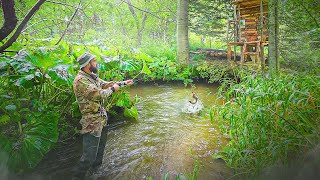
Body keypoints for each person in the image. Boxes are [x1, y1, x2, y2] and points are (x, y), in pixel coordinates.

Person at [72, 52, 133, 179]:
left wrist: (123, 83)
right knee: (88, 157)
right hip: (91, 122)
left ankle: (96, 174)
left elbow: (106, 84)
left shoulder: (91, 76)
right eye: (94, 61)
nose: (96, 63)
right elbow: (98, 94)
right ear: (87, 64)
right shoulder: (81, 80)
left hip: (101, 119)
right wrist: (113, 90)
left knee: (100, 151)